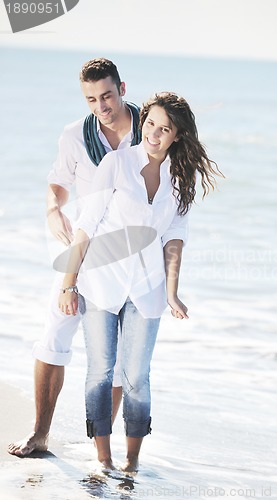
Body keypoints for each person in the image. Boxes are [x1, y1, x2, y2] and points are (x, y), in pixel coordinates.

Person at [57, 92, 221, 473]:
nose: (155, 134)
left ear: (177, 136)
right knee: (100, 371)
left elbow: (174, 238)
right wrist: (69, 284)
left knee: (136, 378)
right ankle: (103, 459)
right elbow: (86, 225)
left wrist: (172, 292)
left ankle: (131, 463)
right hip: (101, 282)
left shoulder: (181, 178)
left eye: (165, 129)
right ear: (142, 122)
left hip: (147, 291)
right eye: (150, 124)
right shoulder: (116, 164)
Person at [7, 57, 142, 457]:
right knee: (53, 338)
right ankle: (39, 434)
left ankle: (100, 451)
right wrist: (52, 208)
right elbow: (58, 183)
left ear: (122, 88)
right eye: (91, 99)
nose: (101, 106)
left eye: (107, 95)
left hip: (132, 259)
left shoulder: (149, 132)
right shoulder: (74, 136)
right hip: (82, 252)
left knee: (117, 360)